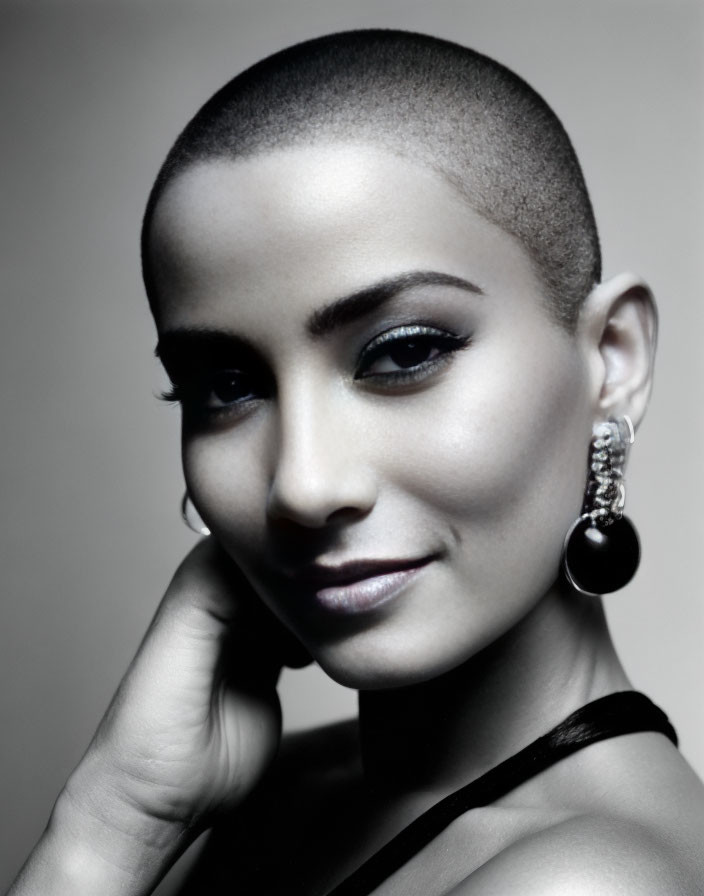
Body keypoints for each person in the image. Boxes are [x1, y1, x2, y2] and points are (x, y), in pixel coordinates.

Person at [8, 29, 704, 896]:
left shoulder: (585, 880)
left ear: (614, 359)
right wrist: (117, 814)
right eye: (227, 386)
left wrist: (106, 841)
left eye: (404, 353)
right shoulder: (281, 797)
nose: (301, 484)